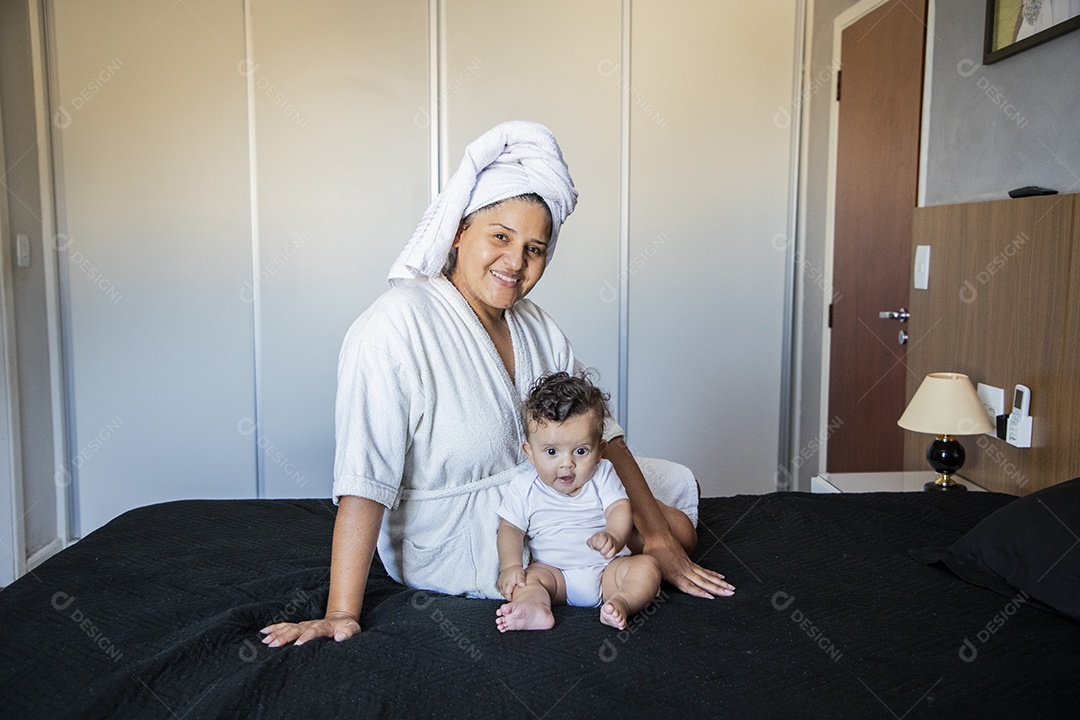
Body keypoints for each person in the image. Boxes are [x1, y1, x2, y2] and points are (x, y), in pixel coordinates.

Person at [261, 120, 733, 648]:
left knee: (677, 530)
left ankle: (648, 535)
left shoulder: (533, 323)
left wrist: (664, 544)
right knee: (653, 533)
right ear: (460, 231)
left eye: (535, 248)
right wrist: (341, 611)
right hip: (461, 530)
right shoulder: (395, 325)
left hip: (550, 473)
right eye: (501, 237)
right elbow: (364, 477)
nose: (516, 263)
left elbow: (605, 432)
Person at [495, 372, 661, 632]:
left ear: (599, 451)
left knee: (647, 566)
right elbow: (510, 529)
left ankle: (622, 602)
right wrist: (511, 567)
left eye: (581, 451)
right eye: (551, 452)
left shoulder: (603, 473)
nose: (567, 464)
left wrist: (614, 536)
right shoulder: (524, 486)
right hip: (554, 575)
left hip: (608, 570)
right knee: (528, 581)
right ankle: (536, 609)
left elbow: (618, 507)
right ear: (530, 453)